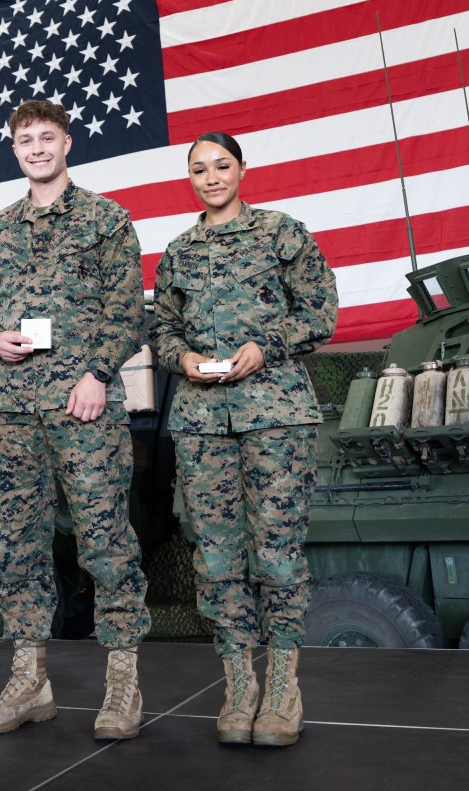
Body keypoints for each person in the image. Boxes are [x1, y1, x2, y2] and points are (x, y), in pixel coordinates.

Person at [0, 99, 151, 740]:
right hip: (12, 409)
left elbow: (128, 313)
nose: (36, 148)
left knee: (105, 543)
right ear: (14, 150)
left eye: (47, 137)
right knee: (18, 545)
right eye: (25, 140)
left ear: (67, 143)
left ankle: (122, 682)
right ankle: (29, 680)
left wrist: (96, 374)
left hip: (84, 405)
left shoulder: (106, 221)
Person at [150, 132, 338, 747]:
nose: (211, 177)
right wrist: (183, 360)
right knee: (216, 558)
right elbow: (162, 330)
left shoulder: (282, 234)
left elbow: (321, 312)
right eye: (199, 169)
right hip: (202, 425)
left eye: (221, 165)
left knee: (278, 555)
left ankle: (283, 686)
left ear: (242, 169)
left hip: (276, 417)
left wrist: (268, 346)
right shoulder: (179, 251)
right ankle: (239, 685)